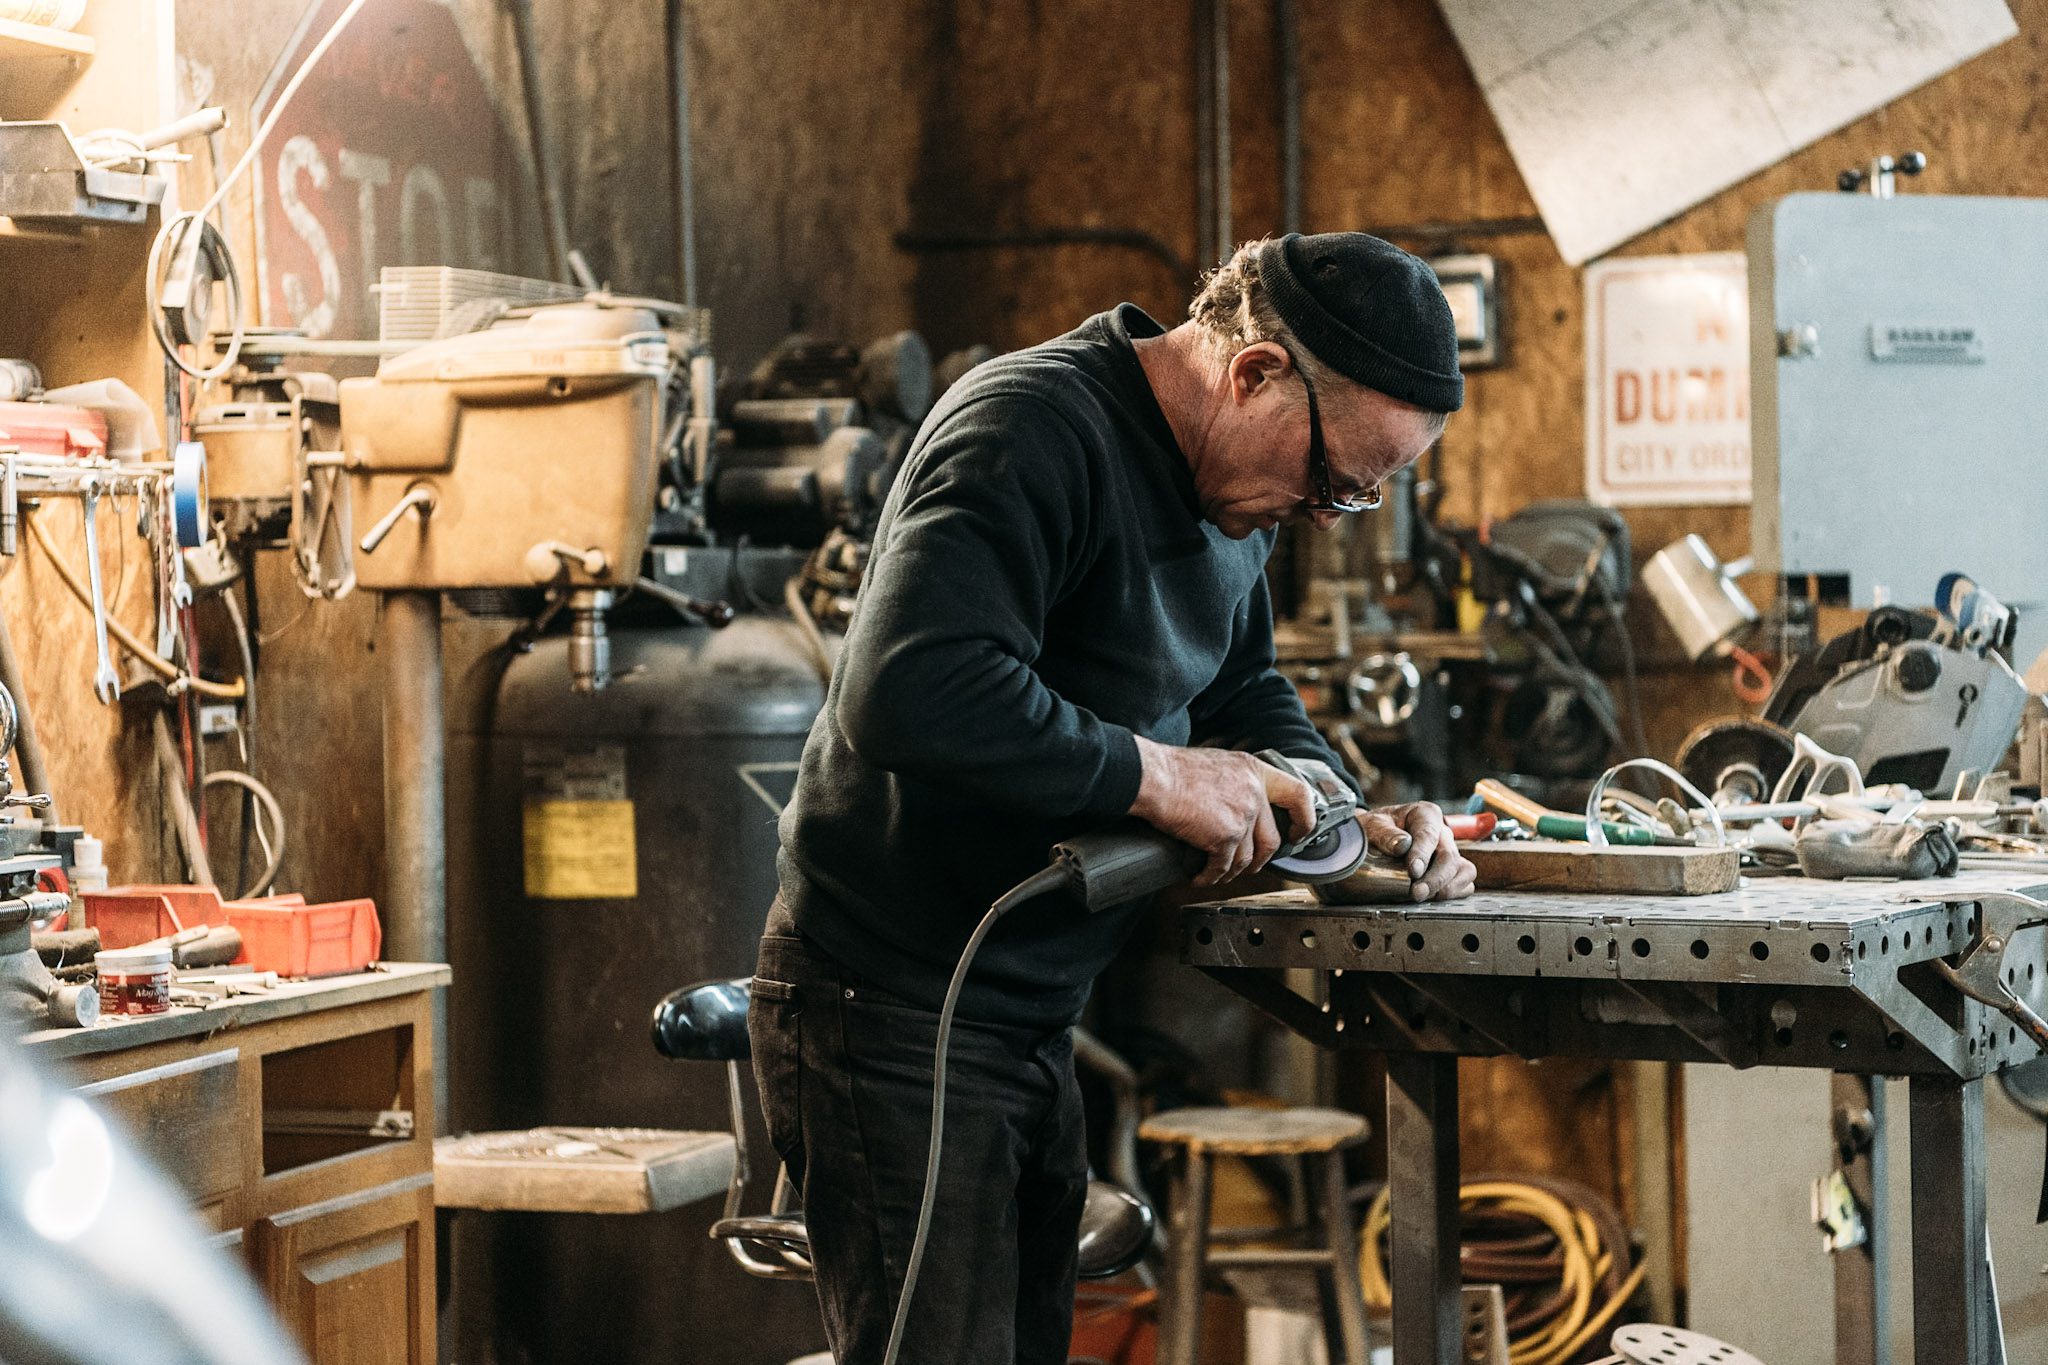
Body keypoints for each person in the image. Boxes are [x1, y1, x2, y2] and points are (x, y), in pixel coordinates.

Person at [751, 231, 1479, 1363]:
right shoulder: (1029, 427)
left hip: (1027, 1016)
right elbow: (908, 686)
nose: (1327, 515)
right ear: (1254, 374)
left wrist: (1341, 805)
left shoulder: (1231, 498)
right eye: (1333, 482)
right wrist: (1158, 774)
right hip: (892, 1013)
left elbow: (1242, 686)